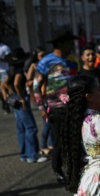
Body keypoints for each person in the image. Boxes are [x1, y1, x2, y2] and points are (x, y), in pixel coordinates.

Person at [34, 29, 79, 184]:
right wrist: (41, 108)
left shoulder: (72, 62)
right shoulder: (46, 61)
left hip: (73, 108)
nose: (71, 45)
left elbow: (76, 83)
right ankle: (58, 170)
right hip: (55, 109)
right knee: (59, 142)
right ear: (59, 44)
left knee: (74, 140)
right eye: (69, 42)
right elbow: (35, 85)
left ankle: (74, 169)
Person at [7, 48, 46, 163]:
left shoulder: (10, 70)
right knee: (31, 127)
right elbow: (16, 84)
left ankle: (24, 154)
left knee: (21, 128)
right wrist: (22, 98)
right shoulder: (19, 71)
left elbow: (5, 84)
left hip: (14, 98)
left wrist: (8, 95)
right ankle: (32, 155)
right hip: (20, 98)